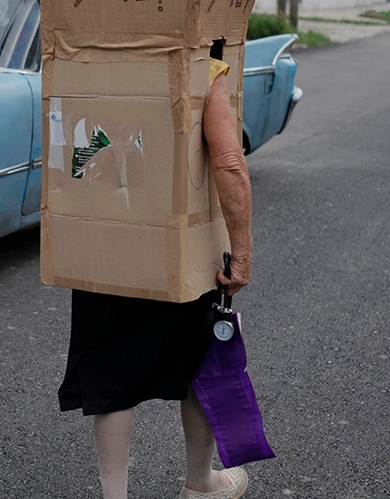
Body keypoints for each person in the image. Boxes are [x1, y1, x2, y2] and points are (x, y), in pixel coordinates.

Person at [59, 51, 255, 499]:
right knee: (198, 360)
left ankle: (115, 496)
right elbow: (227, 162)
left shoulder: (88, 59)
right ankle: (201, 483)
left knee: (111, 368)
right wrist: (240, 255)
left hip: (104, 242)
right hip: (177, 247)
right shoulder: (203, 68)